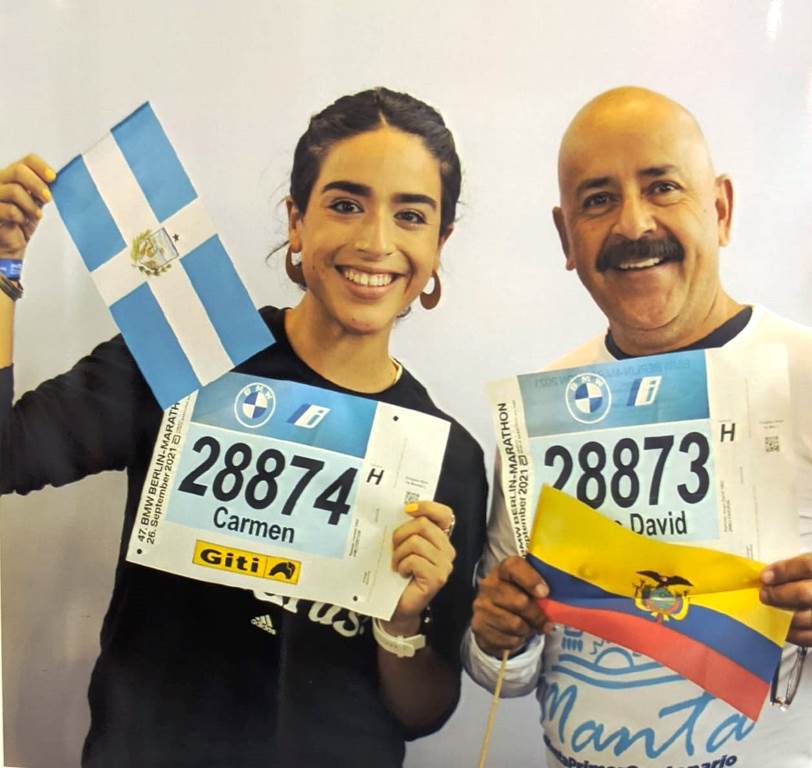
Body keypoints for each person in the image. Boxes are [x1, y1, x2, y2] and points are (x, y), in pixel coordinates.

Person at [0, 87, 487, 767]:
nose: (376, 242)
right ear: (297, 221)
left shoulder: (446, 455)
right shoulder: (191, 351)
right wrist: (3, 269)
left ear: (439, 243)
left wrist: (401, 623)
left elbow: (423, 713)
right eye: (345, 205)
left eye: (410, 215)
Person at [463, 86, 812, 767]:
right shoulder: (542, 412)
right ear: (567, 237)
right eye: (598, 200)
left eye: (662, 187)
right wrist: (499, 632)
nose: (632, 223)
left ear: (720, 209)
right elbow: (504, 668)